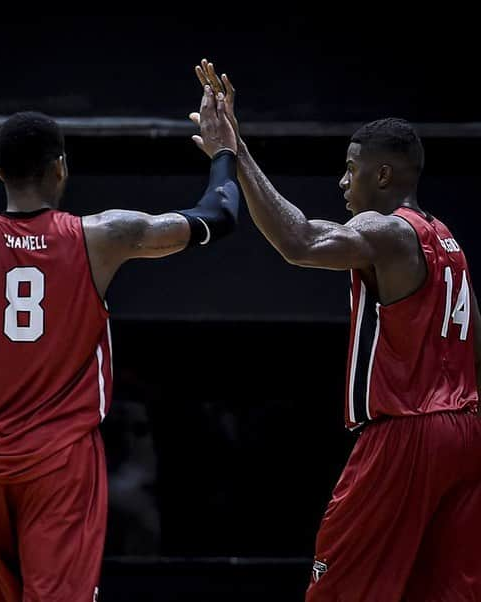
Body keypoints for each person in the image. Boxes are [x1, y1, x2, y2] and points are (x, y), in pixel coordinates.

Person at [0, 89, 239, 601]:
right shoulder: (104, 235)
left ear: (1, 172)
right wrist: (223, 152)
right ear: (61, 168)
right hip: (60, 463)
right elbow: (219, 216)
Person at [194, 60, 481, 600]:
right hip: (465, 432)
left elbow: (299, 242)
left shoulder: (385, 230)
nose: (342, 181)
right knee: (440, 591)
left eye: (351, 169)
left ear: (384, 175)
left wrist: (235, 151)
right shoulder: (449, 242)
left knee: (338, 588)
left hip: (406, 431)